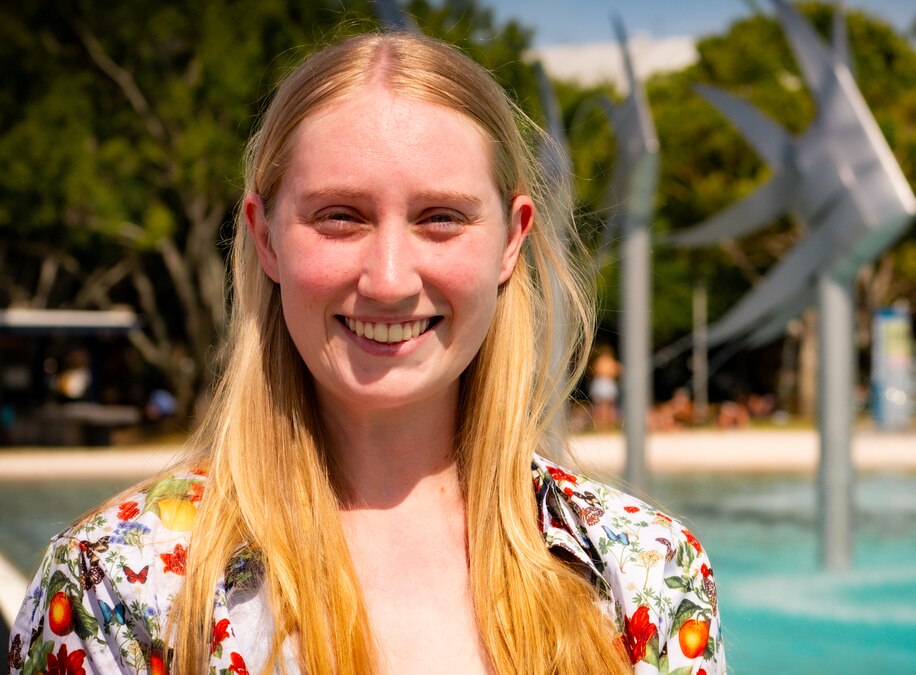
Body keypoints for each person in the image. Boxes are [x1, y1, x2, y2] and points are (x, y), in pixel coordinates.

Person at [6, 32, 723, 675]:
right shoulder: (116, 584)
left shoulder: (647, 571)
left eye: (440, 218)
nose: (388, 279)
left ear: (511, 239)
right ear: (264, 236)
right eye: (339, 217)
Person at [588, 344, 621, 430]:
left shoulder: (604, 361)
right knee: (602, 406)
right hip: (604, 383)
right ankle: (602, 423)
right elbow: (602, 371)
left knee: (608, 406)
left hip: (606, 383)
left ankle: (607, 424)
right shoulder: (606, 362)